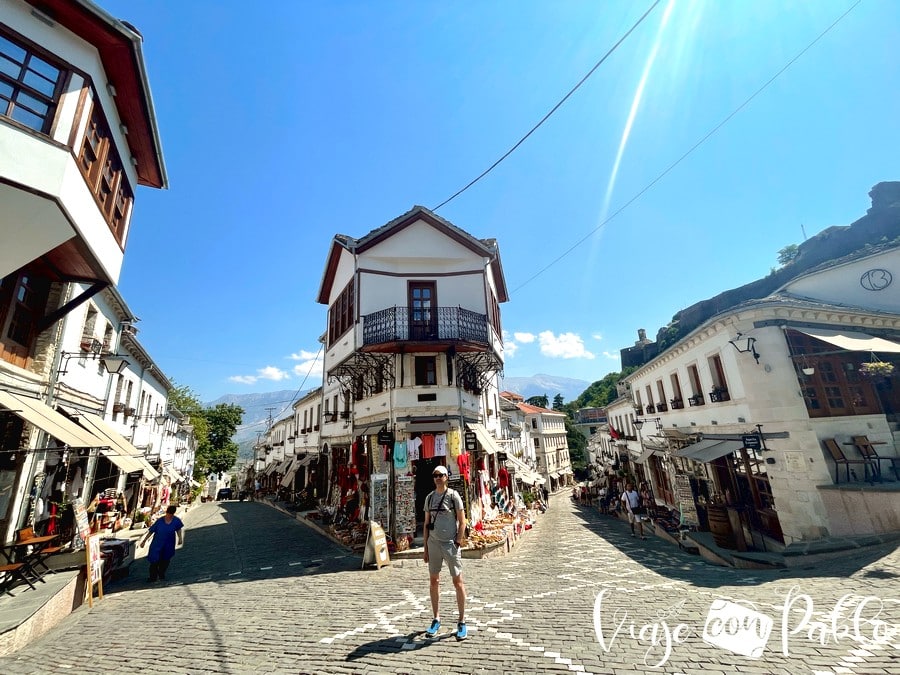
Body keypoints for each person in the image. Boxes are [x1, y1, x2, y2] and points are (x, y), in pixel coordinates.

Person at [422, 464, 468, 641]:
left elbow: (462, 521)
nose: (437, 478)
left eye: (440, 475)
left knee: (458, 581)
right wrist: (425, 548)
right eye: (435, 475)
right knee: (434, 580)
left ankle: (462, 621)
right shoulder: (429, 498)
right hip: (433, 544)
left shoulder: (454, 496)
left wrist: (457, 542)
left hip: (450, 544)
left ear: (447, 477)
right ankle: (436, 618)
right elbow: (426, 524)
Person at [138, 504, 184, 582]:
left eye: (171, 514)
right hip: (157, 544)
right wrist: (144, 541)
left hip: (168, 544)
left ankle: (161, 573)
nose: (169, 516)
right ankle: (153, 577)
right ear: (166, 512)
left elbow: (178, 529)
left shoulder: (176, 520)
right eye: (168, 514)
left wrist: (180, 538)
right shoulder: (160, 521)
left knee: (165, 560)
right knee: (154, 561)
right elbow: (151, 531)